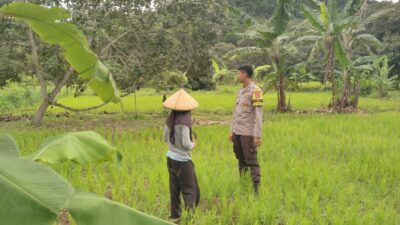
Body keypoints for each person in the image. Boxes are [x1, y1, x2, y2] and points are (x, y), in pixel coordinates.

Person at [163, 89, 200, 223]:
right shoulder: (184, 121)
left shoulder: (170, 119)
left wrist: (173, 147)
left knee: (174, 189)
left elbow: (165, 138)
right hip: (183, 161)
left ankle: (175, 216)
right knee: (190, 190)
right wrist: (193, 144)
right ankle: (190, 219)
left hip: (170, 158)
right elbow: (185, 143)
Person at [229, 65, 264, 193]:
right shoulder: (240, 91)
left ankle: (256, 189)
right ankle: (244, 184)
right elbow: (236, 112)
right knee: (240, 159)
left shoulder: (255, 91)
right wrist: (231, 130)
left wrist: (257, 135)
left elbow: (258, 114)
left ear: (245, 74)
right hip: (237, 131)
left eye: (238, 73)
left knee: (252, 161)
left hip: (248, 133)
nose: (237, 76)